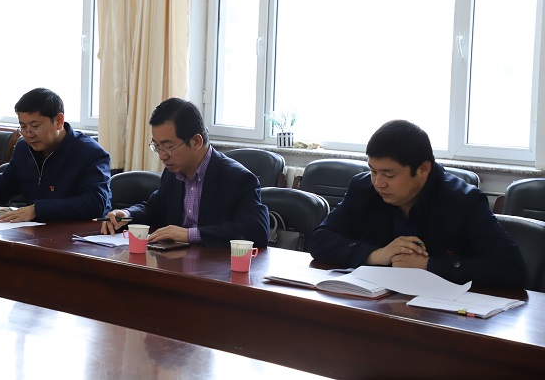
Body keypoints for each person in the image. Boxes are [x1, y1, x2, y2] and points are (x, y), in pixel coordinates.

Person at [308, 119, 527, 289]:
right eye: (373, 171)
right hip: (375, 303)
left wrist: (427, 266)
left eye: (389, 175)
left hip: (441, 313)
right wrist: (376, 255)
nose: (378, 183)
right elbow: (319, 239)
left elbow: (511, 269)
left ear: (423, 169)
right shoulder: (363, 188)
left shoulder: (462, 201)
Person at [100, 98, 269, 248]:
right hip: (175, 263)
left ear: (196, 142)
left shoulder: (237, 178)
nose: (162, 156)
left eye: (168, 146)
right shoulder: (172, 174)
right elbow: (154, 207)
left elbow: (257, 230)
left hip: (215, 267)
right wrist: (127, 214)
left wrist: (191, 235)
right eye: (157, 146)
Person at [0, 88, 111, 222]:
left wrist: (38, 209)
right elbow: (5, 183)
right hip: (35, 231)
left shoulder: (89, 153)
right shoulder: (24, 148)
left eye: (35, 126)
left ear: (59, 121)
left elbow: (95, 203)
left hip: (79, 236)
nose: (28, 134)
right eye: (23, 127)